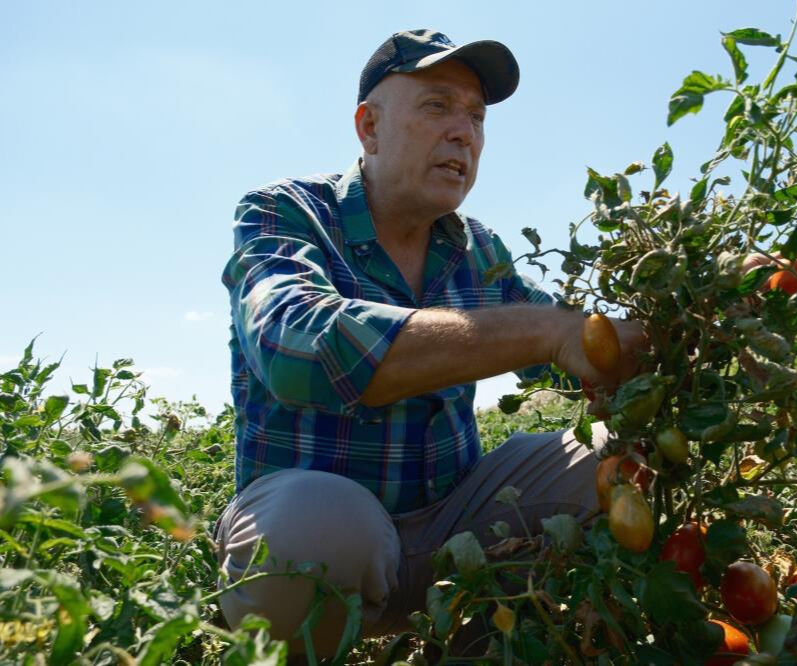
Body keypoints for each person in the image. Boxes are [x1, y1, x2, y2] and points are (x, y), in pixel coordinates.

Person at [214, 29, 647, 659]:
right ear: (370, 127)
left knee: (618, 461)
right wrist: (542, 333)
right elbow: (294, 345)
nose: (464, 133)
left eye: (476, 117)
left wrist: (689, 325)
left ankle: (482, 646)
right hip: (331, 537)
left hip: (454, 530)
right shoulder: (286, 212)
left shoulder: (478, 249)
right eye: (437, 106)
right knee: (312, 528)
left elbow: (574, 351)